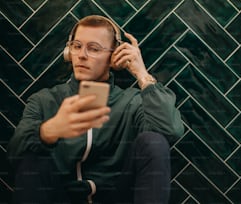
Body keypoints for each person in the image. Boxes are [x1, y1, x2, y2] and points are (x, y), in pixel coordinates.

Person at [7, 15, 184, 204]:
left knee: (153, 141)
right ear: (68, 52)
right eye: (77, 46)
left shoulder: (132, 102)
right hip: (59, 196)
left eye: (93, 48)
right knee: (32, 158)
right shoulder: (44, 100)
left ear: (114, 56)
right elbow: (13, 156)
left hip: (117, 196)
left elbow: (170, 131)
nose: (82, 55)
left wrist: (142, 74)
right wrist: (49, 131)